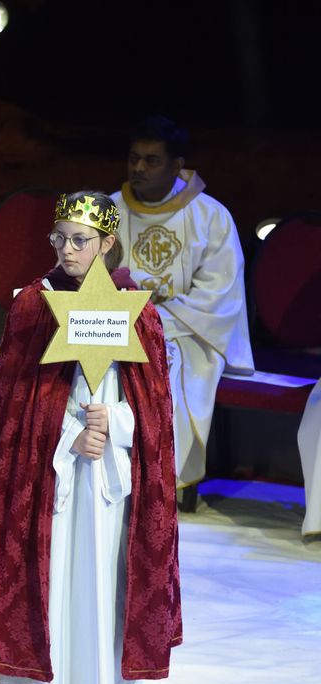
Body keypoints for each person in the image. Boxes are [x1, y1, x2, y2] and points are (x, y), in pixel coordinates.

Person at [0, 191, 181, 684]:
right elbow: (14, 406)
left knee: (103, 587)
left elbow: (156, 409)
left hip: (109, 479)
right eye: (59, 238)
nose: (66, 249)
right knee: (51, 586)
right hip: (51, 475)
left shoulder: (138, 311)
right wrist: (63, 435)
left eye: (80, 240)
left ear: (107, 244)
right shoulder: (35, 305)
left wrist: (119, 421)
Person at [112, 116, 254, 490]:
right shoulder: (108, 212)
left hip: (191, 331)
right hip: (118, 326)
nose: (138, 168)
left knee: (168, 363)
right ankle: (111, 475)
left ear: (177, 166)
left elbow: (218, 294)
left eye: (151, 160)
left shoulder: (210, 216)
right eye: (133, 158)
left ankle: (159, 481)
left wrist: (156, 321)